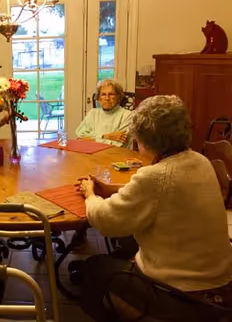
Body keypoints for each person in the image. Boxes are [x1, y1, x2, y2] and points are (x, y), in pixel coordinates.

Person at [76, 95, 232, 320]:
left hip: (182, 294)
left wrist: (90, 194)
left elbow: (105, 220)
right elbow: (162, 193)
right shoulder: (199, 160)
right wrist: (111, 189)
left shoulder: (154, 176)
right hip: (221, 280)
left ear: (143, 138)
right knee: (129, 240)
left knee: (93, 267)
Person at [75, 79, 132, 148]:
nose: (107, 98)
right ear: (99, 98)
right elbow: (80, 137)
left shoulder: (128, 115)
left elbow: (118, 145)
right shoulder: (93, 113)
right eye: (103, 94)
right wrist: (106, 136)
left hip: (115, 156)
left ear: (118, 97)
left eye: (111, 94)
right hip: (91, 155)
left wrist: (91, 139)